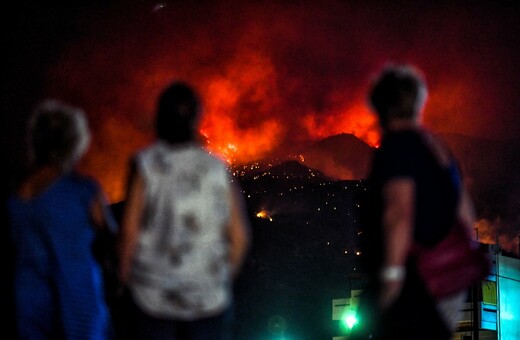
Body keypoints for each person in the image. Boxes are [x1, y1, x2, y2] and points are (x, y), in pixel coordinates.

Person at [351, 65, 477, 339]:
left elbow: (399, 213)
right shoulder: (437, 147)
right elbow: (466, 214)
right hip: (447, 282)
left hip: (415, 282)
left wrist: (392, 278)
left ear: (380, 106)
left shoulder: (398, 147)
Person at [118, 81, 251, 340]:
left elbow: (129, 232)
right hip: (207, 302)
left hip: (153, 300)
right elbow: (240, 237)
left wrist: (124, 282)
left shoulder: (146, 165)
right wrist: (219, 280)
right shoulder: (216, 168)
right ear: (196, 117)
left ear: (160, 117)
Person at [7, 99, 117, 339]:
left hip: (28, 305)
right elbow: (112, 240)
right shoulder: (84, 191)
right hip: (77, 304)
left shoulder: (16, 196)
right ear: (74, 143)